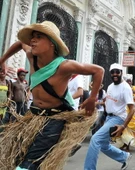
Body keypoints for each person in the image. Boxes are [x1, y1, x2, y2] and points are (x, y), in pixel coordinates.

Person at [0, 21, 104, 170]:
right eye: (33, 37)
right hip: (33, 117)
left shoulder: (64, 66)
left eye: (39, 37)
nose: (32, 40)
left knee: (30, 163)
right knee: (17, 156)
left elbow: (99, 70)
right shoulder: (31, 56)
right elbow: (20, 43)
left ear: (52, 44)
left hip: (54, 120)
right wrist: (2, 60)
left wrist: (92, 98)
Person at [84, 63, 134, 170]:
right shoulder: (110, 86)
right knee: (103, 145)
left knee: (95, 139)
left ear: (121, 73)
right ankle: (124, 156)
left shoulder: (125, 88)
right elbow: (108, 102)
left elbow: (132, 109)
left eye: (117, 72)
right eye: (112, 72)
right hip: (108, 118)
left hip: (118, 118)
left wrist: (123, 126)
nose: (115, 74)